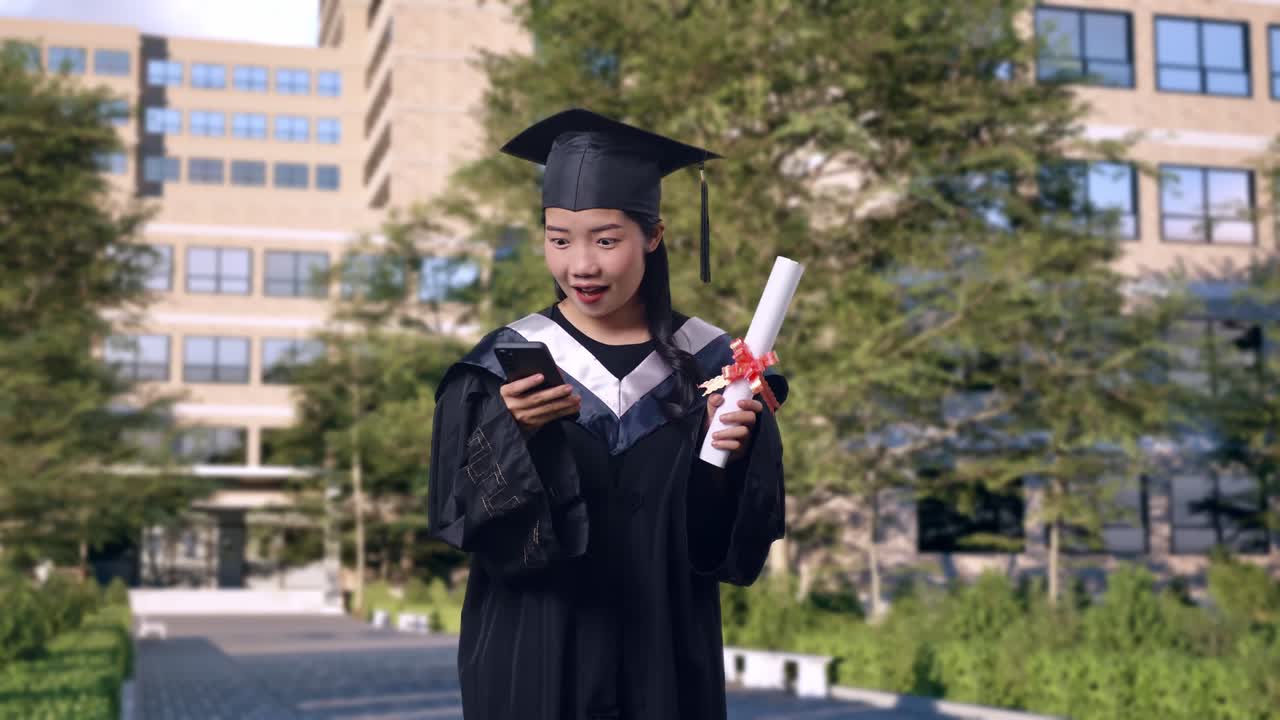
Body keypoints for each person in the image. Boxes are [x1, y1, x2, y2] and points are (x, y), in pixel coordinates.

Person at [427, 108, 788, 720]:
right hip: (534, 653)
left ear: (653, 235)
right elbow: (461, 520)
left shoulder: (714, 368)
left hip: (664, 654)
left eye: (606, 239)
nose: (581, 266)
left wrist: (726, 459)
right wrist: (508, 438)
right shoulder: (496, 370)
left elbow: (731, 545)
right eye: (559, 239)